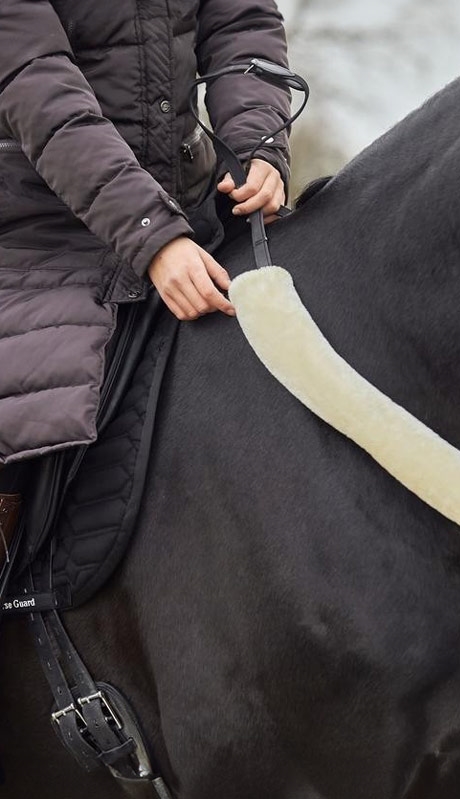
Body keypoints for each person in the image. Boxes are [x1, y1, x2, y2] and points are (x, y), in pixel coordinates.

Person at [0, 0, 293, 561]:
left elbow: (242, 23)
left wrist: (257, 143)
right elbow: (36, 85)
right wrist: (150, 233)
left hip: (193, 207)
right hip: (38, 229)